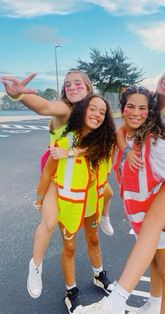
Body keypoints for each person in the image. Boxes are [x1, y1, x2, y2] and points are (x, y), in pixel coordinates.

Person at [75, 62, 165, 314]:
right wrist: (125, 147)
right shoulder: (151, 105)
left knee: (164, 261)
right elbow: (122, 129)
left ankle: (115, 303)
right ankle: (152, 305)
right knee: (156, 260)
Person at [0, 70, 114, 302]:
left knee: (102, 212)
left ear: (89, 88)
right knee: (52, 225)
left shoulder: (94, 113)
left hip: (87, 183)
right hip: (59, 177)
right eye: (67, 84)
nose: (72, 87)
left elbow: (107, 140)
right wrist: (18, 96)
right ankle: (39, 267)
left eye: (77, 83)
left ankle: (99, 269)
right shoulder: (66, 110)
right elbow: (44, 107)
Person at [35, 93, 116, 313]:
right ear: (82, 110)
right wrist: (40, 198)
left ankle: (99, 275)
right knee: (69, 247)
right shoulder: (64, 139)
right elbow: (47, 174)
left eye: (102, 112)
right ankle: (71, 292)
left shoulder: (107, 140)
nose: (97, 115)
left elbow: (102, 146)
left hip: (92, 203)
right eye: (93, 109)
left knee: (94, 239)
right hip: (70, 204)